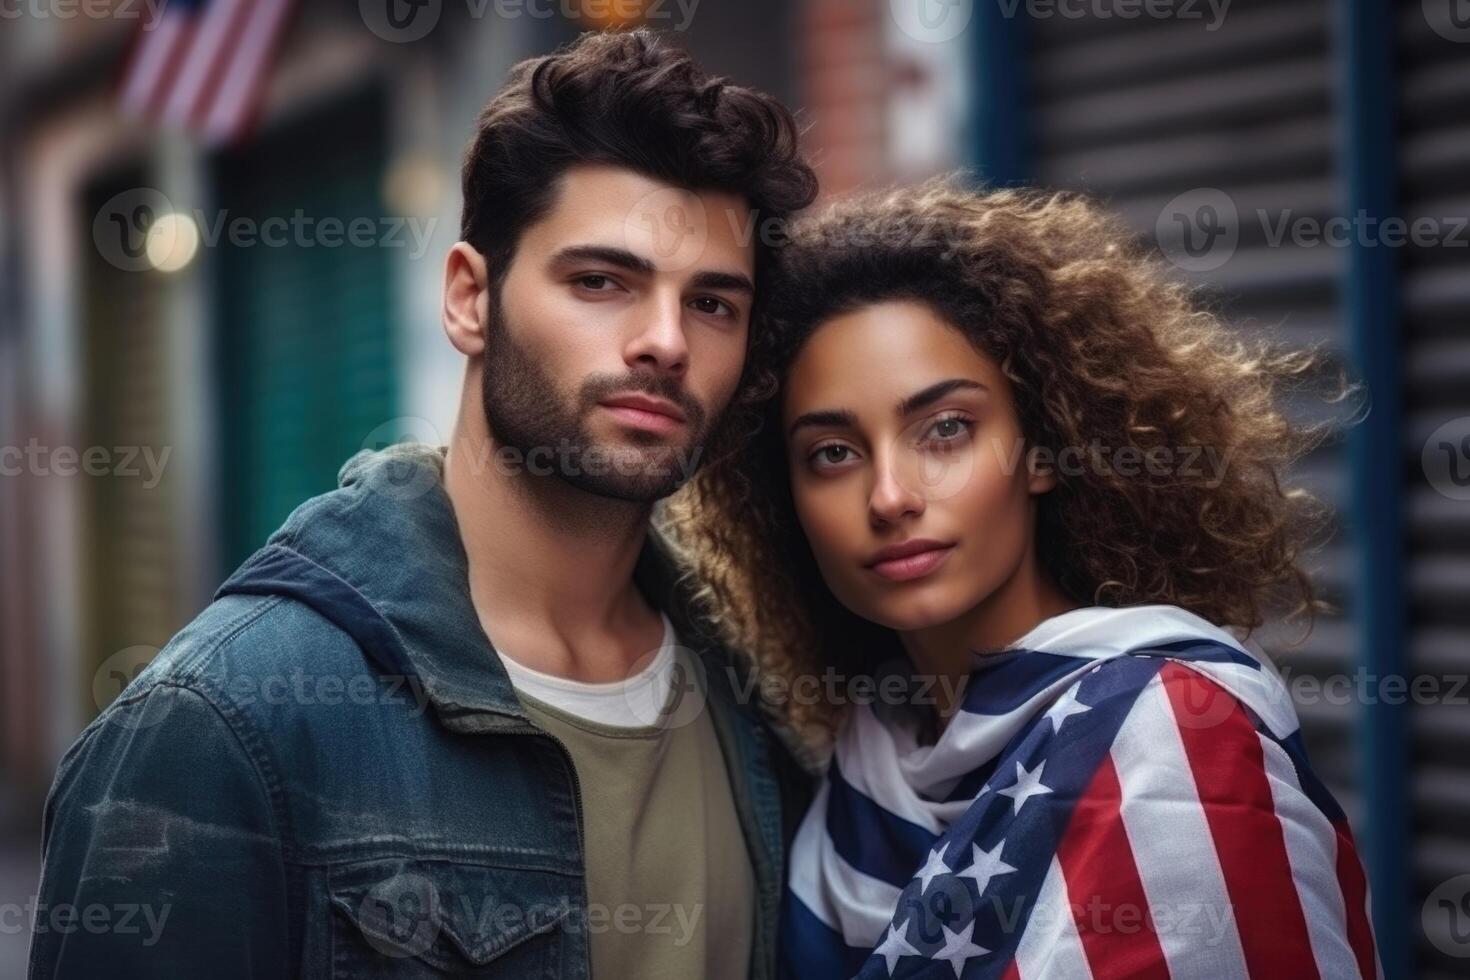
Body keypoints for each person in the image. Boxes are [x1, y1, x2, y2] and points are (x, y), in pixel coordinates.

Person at [31, 29, 817, 979]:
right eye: (601, 281)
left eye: (713, 304)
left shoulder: (757, 692)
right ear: (467, 299)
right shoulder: (223, 727)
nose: (664, 341)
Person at [666, 178, 1382, 978]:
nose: (891, 496)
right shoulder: (861, 767)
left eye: (946, 430)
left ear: (1042, 449)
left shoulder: (1170, 729)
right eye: (832, 452)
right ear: (785, 497)